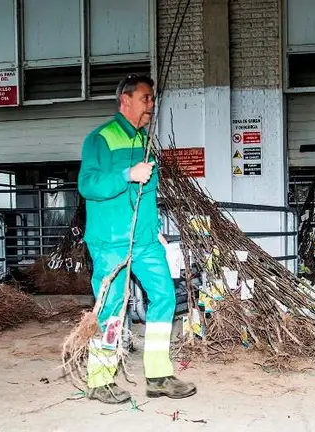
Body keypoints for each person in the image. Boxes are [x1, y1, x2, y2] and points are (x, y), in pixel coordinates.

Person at [77, 73, 196, 404]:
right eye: (145, 98)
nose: (151, 105)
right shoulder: (100, 139)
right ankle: (100, 380)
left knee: (165, 297)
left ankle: (158, 376)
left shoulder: (145, 141)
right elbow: (87, 185)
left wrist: (154, 226)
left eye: (153, 99)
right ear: (124, 100)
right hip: (111, 243)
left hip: (144, 241)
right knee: (111, 308)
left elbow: (147, 195)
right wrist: (126, 174)